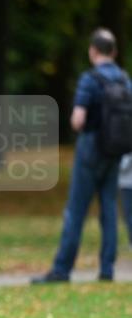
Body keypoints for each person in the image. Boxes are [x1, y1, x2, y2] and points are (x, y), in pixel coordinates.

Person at [31, 28, 131, 283]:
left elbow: (78, 119)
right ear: (115, 52)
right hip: (115, 151)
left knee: (76, 210)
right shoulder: (124, 80)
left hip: (90, 148)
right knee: (109, 208)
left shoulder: (90, 79)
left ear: (93, 51)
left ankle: (62, 269)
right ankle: (107, 270)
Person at [119, 153, 132, 247]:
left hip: (127, 185)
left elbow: (123, 166)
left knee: (128, 214)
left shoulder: (127, 146)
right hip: (126, 184)